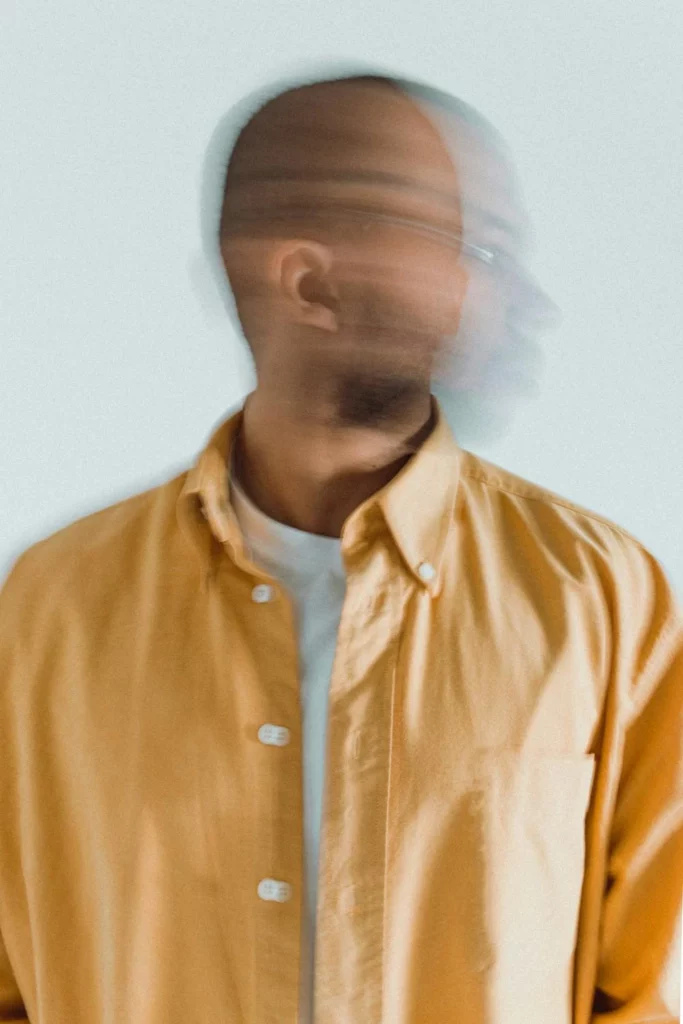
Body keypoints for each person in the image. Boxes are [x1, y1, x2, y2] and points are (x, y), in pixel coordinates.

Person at [0, 70, 681, 1024]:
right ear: (311, 285)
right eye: (474, 249)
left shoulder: (598, 598)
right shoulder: (50, 612)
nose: (518, 297)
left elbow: (643, 996)